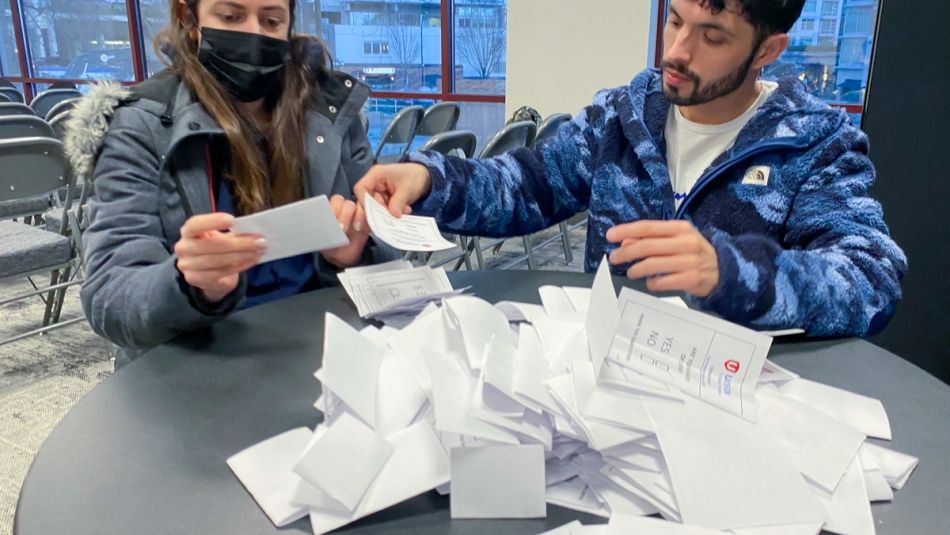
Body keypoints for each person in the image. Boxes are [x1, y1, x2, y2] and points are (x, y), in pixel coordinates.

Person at [355, 0, 906, 337]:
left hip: (734, 405)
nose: (678, 51)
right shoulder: (624, 115)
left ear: (768, 50)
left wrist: (730, 271)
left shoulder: (814, 144)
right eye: (674, 20)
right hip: (606, 393)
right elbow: (526, 184)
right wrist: (431, 179)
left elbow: (869, 278)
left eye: (712, 36)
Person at [66, 0, 394, 366]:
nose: (254, 33)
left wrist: (355, 256)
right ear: (189, 19)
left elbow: (388, 252)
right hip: (200, 363)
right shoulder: (140, 126)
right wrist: (187, 285)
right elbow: (110, 297)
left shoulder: (330, 111)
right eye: (231, 16)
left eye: (271, 21)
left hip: (323, 349)